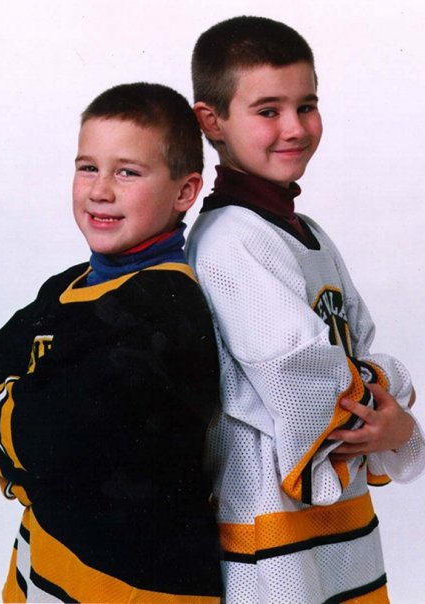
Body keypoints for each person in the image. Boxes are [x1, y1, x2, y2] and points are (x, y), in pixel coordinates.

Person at [186, 16, 425, 604]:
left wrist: (384, 409)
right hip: (271, 532)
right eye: (268, 110)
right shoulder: (228, 242)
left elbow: (353, 349)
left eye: (307, 106)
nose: (294, 128)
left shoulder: (309, 233)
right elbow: (306, 379)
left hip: (336, 521)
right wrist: (394, 394)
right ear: (211, 121)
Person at [0, 82, 223, 603]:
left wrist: (6, 420)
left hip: (135, 587)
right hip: (48, 556)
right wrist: (24, 434)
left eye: (127, 172)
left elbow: (57, 436)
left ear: (185, 192)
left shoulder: (165, 308)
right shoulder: (66, 286)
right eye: (88, 167)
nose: (100, 191)